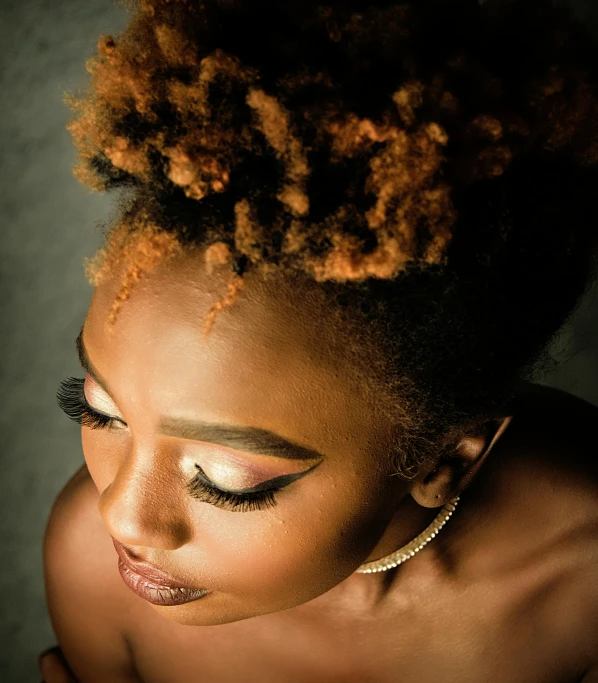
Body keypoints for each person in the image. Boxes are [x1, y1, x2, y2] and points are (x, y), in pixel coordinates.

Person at [39, 0, 598, 681]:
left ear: (445, 456)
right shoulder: (91, 566)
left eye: (226, 482)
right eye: (99, 409)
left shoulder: (581, 580)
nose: (120, 518)